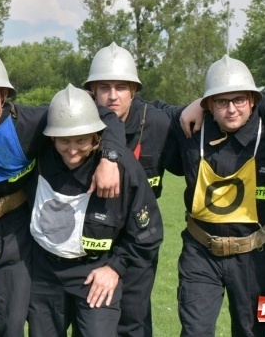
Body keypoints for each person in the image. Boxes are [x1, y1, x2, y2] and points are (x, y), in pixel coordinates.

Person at [0, 46, 125, 337]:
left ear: (5, 95)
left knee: (12, 319)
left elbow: (105, 116)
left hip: (15, 226)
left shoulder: (32, 123)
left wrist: (110, 158)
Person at [27, 84, 162, 337]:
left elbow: (147, 234)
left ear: (96, 136)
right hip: (44, 274)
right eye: (64, 141)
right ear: (52, 137)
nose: (73, 149)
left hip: (94, 273)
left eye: (82, 140)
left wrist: (114, 268)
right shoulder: (38, 157)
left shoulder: (123, 170)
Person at [164, 55, 265, 337]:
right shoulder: (189, 127)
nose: (231, 109)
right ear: (209, 105)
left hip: (254, 255)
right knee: (194, 332)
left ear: (253, 100)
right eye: (221, 102)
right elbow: (145, 111)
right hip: (199, 252)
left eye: (239, 100)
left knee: (252, 332)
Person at [83, 42, 176, 337]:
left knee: (134, 320)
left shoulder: (159, 124)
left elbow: (190, 159)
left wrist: (198, 107)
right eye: (104, 87)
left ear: (134, 90)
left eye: (121, 87)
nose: (112, 96)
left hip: (138, 241)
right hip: (90, 242)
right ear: (92, 91)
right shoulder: (77, 123)